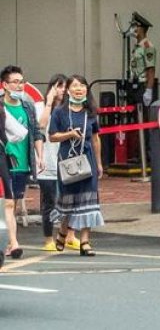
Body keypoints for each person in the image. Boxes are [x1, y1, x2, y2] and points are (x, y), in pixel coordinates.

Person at [48, 75, 104, 255]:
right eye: (75, 86)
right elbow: (52, 136)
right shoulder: (60, 112)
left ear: (87, 89)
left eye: (82, 85)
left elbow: (95, 139)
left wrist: (99, 163)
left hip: (87, 161)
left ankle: (85, 241)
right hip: (67, 162)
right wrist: (70, 134)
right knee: (69, 200)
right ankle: (63, 231)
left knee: (89, 200)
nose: (79, 89)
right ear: (68, 90)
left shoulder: (91, 112)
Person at [2, 65, 43, 260]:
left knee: (14, 203)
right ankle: (13, 243)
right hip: (4, 162)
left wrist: (39, 156)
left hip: (23, 163)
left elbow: (36, 132)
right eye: (15, 82)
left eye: (22, 82)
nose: (19, 86)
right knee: (8, 204)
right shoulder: (1, 107)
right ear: (5, 85)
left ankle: (9, 241)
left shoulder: (27, 106)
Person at [35, 75, 69, 252]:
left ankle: (68, 236)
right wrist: (49, 103)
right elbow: (40, 126)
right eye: (59, 86)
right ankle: (48, 238)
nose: (62, 90)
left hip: (66, 162)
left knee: (69, 201)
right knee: (49, 201)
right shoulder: (40, 107)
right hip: (46, 162)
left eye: (64, 87)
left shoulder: (68, 109)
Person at [130, 12, 156, 108]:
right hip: (134, 84)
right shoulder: (137, 47)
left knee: (142, 114)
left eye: (135, 26)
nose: (133, 29)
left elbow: (151, 69)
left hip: (143, 86)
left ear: (141, 28)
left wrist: (149, 90)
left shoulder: (147, 46)